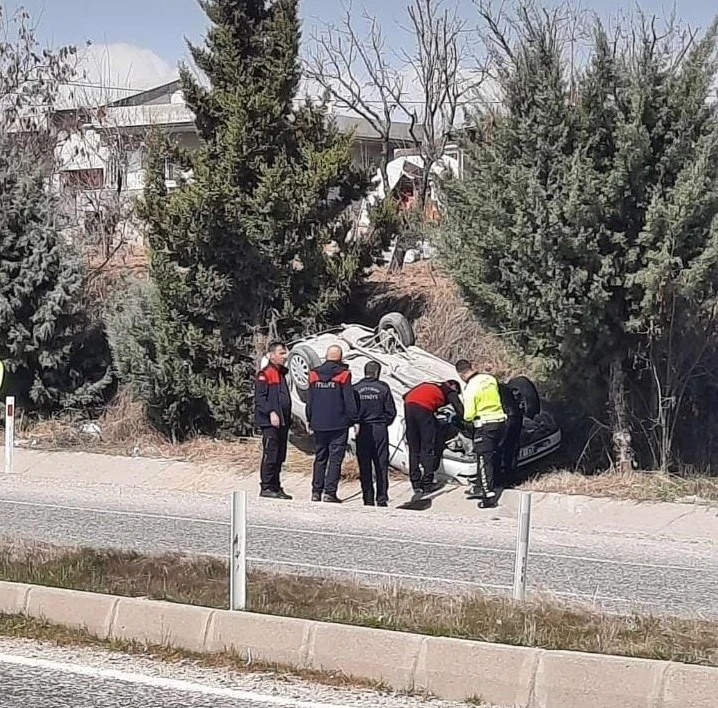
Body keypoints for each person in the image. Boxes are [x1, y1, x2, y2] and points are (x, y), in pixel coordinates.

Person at [306, 345, 358, 503]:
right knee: (335, 459)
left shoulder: (313, 374)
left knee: (320, 457)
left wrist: (309, 418)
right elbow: (349, 399)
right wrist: (354, 419)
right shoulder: (344, 374)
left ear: (326, 356)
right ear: (340, 358)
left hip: (318, 423)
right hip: (339, 423)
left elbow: (310, 399)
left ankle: (316, 491)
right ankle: (330, 493)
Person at [455, 359, 507, 506]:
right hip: (500, 422)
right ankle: (484, 486)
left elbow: (468, 415)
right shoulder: (490, 379)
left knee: (484, 460)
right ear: (472, 367)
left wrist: (464, 419)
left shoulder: (470, 387)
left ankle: (488, 495)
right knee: (494, 455)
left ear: (461, 375)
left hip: (484, 425)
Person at [403, 379, 464, 496]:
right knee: (427, 446)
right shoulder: (449, 390)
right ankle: (427, 484)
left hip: (409, 406)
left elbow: (405, 396)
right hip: (423, 409)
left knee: (414, 448)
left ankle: (415, 483)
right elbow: (460, 409)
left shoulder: (429, 384)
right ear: (454, 387)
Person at [353, 361, 397, 507]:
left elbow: (351, 411)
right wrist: (384, 423)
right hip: (379, 428)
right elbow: (391, 412)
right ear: (377, 372)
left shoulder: (355, 388)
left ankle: (368, 498)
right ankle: (382, 498)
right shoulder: (383, 388)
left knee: (364, 464)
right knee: (381, 464)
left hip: (362, 429)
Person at [254, 341, 293, 500]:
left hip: (283, 421)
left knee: (280, 455)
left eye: (285, 353)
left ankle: (276, 486)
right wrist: (271, 412)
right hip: (270, 422)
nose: (285, 356)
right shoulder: (265, 374)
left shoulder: (281, 373)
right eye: (281, 353)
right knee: (271, 453)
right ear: (271, 356)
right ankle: (266, 486)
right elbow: (260, 398)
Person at [498, 382, 523, 487]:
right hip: (517, 416)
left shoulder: (492, 389)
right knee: (512, 448)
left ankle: (503, 478)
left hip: (507, 418)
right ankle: (511, 478)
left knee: (502, 447)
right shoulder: (504, 387)